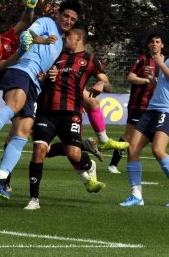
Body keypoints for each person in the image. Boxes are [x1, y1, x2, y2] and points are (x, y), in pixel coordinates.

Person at [0, 0, 81, 199]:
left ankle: (0, 178)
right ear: (58, 14)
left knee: (22, 134)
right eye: (65, 16)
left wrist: (48, 73)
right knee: (14, 106)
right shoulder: (47, 22)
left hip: (34, 82)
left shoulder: (60, 42)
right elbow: (29, 31)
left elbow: (25, 25)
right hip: (19, 71)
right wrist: (36, 40)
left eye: (72, 19)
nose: (68, 21)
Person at [25, 22, 110, 210]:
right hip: (47, 112)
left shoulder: (90, 59)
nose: (64, 38)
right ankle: (34, 199)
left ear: (78, 38)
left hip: (71, 113)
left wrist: (101, 85)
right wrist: (45, 77)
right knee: (39, 150)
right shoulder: (56, 56)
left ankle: (89, 165)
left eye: (68, 35)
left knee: (73, 153)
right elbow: (42, 77)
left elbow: (106, 82)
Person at [120, 20, 169, 208]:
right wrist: (152, 80)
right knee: (132, 149)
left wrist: (160, 65)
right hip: (153, 108)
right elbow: (164, 85)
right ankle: (136, 195)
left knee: (158, 150)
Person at [107, 32, 169, 175]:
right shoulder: (143, 59)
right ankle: (113, 164)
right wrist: (146, 80)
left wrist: (154, 80)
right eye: (152, 41)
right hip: (140, 104)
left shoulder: (167, 60)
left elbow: (167, 83)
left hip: (159, 105)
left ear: (162, 45)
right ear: (149, 44)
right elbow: (130, 77)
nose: (155, 44)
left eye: (158, 42)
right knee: (129, 136)